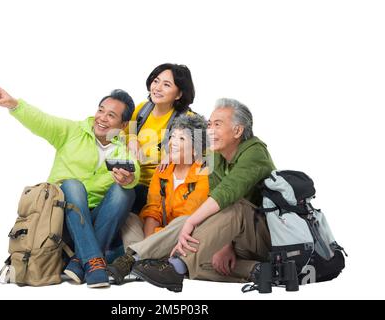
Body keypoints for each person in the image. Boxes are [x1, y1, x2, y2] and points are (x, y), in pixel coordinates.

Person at [106, 98, 275, 292]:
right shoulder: (214, 156)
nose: (210, 130)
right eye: (209, 124)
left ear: (237, 131)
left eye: (217, 125)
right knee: (133, 219)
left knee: (223, 211)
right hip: (189, 237)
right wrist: (169, 155)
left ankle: (142, 261)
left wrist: (192, 224)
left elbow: (226, 193)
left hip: (252, 235)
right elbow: (152, 209)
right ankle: (149, 262)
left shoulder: (254, 152)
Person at [0, 82, 140, 288]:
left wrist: (129, 179)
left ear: (122, 125)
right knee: (72, 185)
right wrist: (14, 105)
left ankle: (80, 261)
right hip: (62, 219)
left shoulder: (124, 149)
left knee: (126, 192)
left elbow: (135, 170)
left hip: (97, 220)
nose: (102, 118)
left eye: (111, 115)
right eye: (101, 110)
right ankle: (94, 260)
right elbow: (42, 121)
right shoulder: (72, 131)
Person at [108, 113, 209, 284]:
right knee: (130, 217)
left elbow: (188, 217)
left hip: (185, 237)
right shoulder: (163, 170)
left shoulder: (204, 172)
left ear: (195, 149)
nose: (173, 143)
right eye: (173, 137)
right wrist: (150, 241)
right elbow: (153, 210)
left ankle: (131, 259)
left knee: (185, 220)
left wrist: (154, 239)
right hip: (159, 234)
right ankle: (144, 261)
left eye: (182, 139)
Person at [126, 63, 196, 214]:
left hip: (158, 187)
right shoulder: (142, 110)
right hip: (129, 178)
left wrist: (173, 155)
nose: (157, 88)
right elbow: (125, 131)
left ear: (178, 94)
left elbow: (203, 153)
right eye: (156, 81)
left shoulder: (187, 119)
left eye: (166, 85)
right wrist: (132, 139)